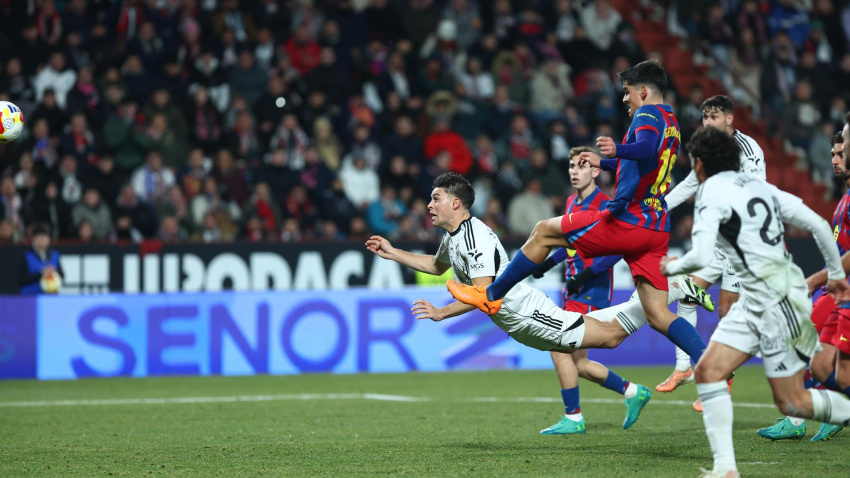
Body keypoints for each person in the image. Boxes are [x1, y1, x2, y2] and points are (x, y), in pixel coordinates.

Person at [367, 172, 712, 431]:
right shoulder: (452, 238)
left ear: (455, 203)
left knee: (609, 338)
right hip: (520, 323)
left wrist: (443, 312)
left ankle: (677, 289)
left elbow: (487, 297)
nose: (430, 205)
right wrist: (393, 252)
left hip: (527, 314)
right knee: (603, 337)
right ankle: (626, 390)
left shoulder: (475, 239)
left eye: (436, 198)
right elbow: (434, 264)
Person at [447, 60, 709, 375]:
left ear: (642, 90)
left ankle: (490, 295)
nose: (624, 99)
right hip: (656, 224)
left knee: (544, 230)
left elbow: (646, 150)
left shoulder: (648, 113)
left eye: (627, 93)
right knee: (657, 314)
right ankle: (711, 362)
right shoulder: (671, 119)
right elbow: (647, 164)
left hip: (631, 217)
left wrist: (617, 150)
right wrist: (606, 162)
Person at [660, 127, 850, 478]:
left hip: (778, 302)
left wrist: (675, 266)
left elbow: (700, 254)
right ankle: (726, 469)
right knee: (709, 371)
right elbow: (820, 225)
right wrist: (836, 273)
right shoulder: (762, 187)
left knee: (796, 400)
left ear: (700, 164)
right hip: (760, 298)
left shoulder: (710, 192)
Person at [532, 146, 648, 435]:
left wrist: (585, 274)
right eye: (572, 165)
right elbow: (570, 243)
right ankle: (633, 392)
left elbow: (618, 248)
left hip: (591, 289)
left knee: (557, 345)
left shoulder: (606, 203)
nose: (575, 170)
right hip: (573, 287)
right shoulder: (572, 202)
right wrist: (546, 265)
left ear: (596, 171)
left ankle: (573, 417)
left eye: (582, 165)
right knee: (580, 363)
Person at [660, 95, 765, 410]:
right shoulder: (705, 148)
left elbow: (755, 194)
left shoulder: (749, 151)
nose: (708, 122)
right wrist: (657, 209)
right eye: (705, 117)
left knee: (725, 312)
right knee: (687, 295)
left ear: (730, 119)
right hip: (714, 244)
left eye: (714, 116)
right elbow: (690, 184)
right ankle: (684, 367)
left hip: (738, 242)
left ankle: (723, 376)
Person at [757, 130, 847, 441]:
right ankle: (825, 411)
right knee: (820, 357)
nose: (834, 160)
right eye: (833, 154)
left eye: (840, 154)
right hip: (837, 289)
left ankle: (809, 416)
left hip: (842, 290)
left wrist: (815, 280)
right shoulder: (844, 198)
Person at [18, 223, 63, 294]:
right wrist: (40, 273)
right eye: (39, 237)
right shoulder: (26, 256)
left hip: (51, 296)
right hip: (31, 297)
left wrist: (54, 271)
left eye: (45, 236)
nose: (42, 240)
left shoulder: (55, 255)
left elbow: (62, 275)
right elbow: (22, 279)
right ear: (33, 239)